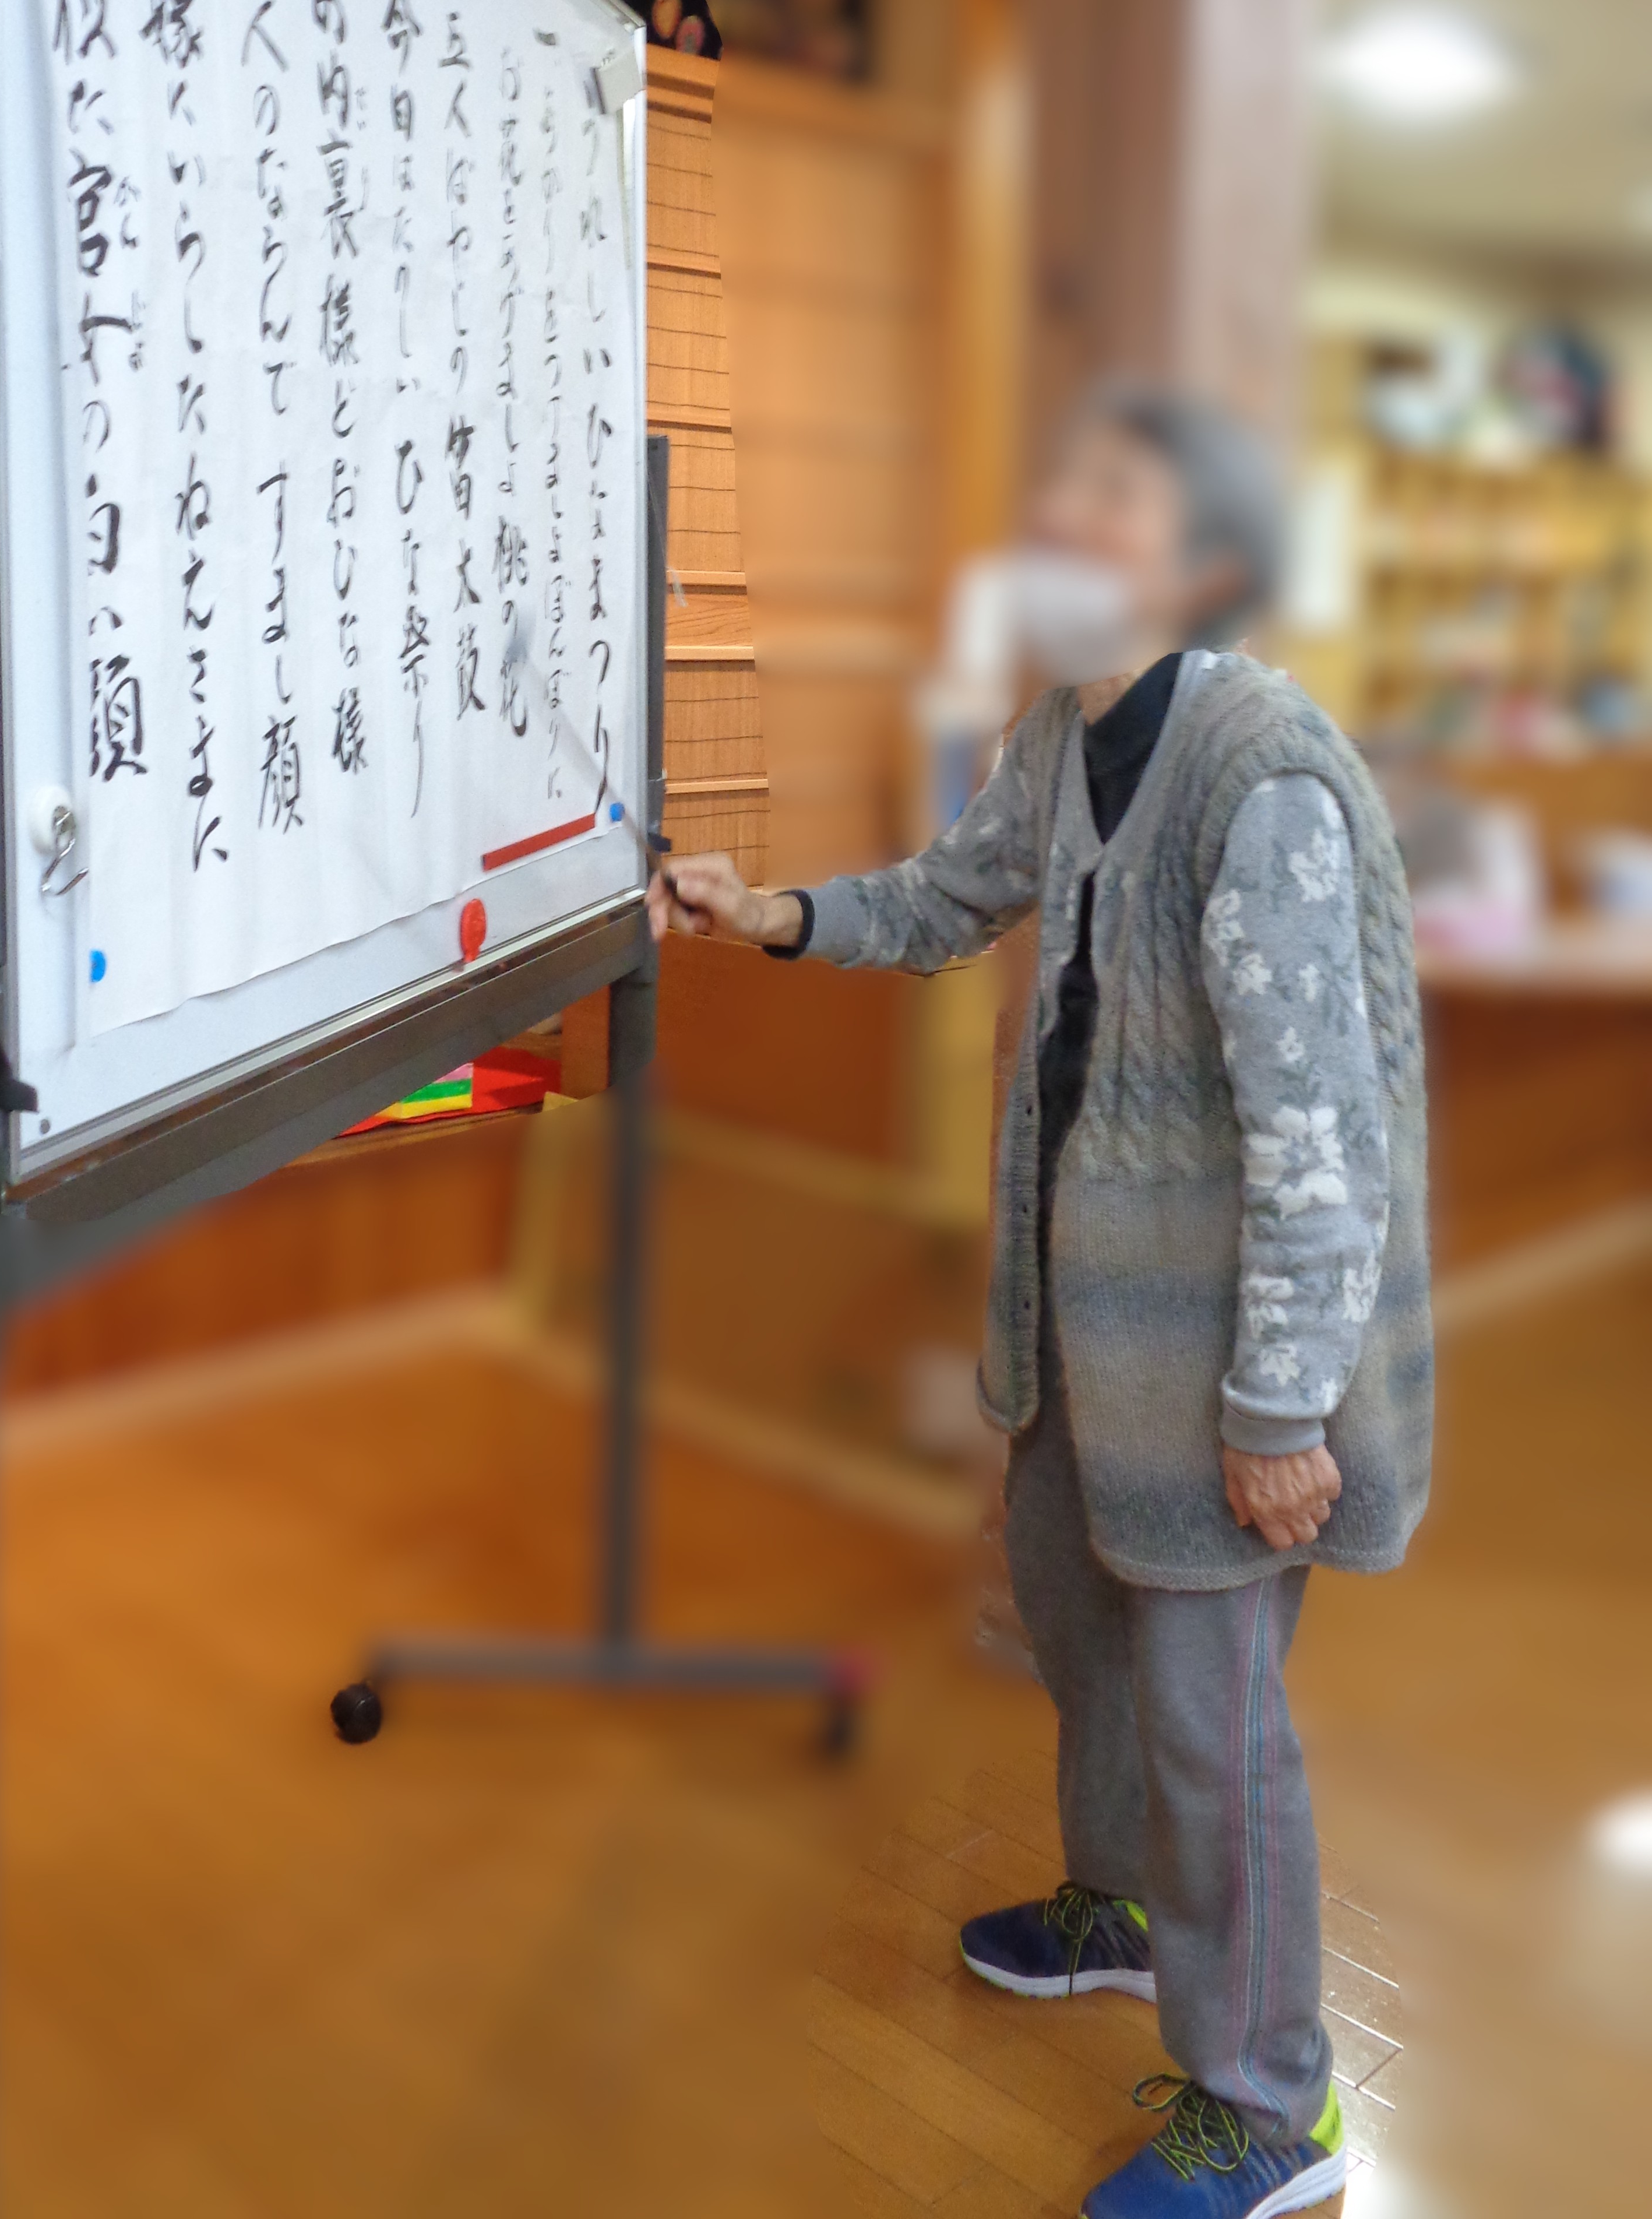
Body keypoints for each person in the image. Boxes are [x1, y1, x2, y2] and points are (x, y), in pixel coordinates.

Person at [648, 382, 1431, 2219]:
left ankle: (1274, 2106)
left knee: (1215, 1727)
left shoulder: (1263, 779)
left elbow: (1326, 1132)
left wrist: (1279, 1409)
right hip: (1083, 1323)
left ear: (1209, 563)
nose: (1063, 521)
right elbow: (950, 898)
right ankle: (1122, 1912)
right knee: (1084, 1634)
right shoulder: (1060, 735)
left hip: (1221, 1358)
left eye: (1115, 500)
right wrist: (769, 914)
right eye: (1063, 489)